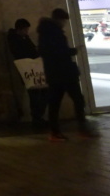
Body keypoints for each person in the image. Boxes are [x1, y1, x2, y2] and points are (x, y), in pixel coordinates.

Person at [37, 8, 95, 141]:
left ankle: (59, 131)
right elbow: (58, 52)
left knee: (58, 102)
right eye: (63, 20)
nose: (64, 23)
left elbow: (48, 51)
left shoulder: (47, 32)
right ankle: (72, 130)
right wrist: (73, 51)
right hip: (62, 73)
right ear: (59, 19)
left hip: (57, 73)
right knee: (72, 100)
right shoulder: (53, 33)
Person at [7, 18, 48, 129]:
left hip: (32, 69)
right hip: (28, 70)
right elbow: (22, 52)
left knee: (42, 92)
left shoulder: (24, 38)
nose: (27, 32)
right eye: (25, 29)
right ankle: (37, 118)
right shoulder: (15, 40)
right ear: (19, 29)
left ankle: (38, 117)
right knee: (35, 95)